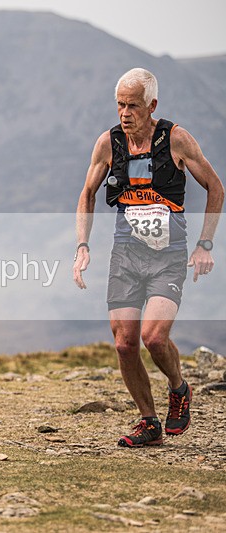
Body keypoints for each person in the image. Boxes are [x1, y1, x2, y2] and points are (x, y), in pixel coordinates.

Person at [74, 68, 224, 447]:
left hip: (167, 256)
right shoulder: (108, 144)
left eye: (133, 106)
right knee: (125, 344)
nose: (125, 113)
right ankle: (149, 422)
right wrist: (82, 246)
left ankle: (178, 388)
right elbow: (88, 193)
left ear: (152, 105)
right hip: (126, 255)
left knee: (154, 337)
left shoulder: (176, 139)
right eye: (120, 105)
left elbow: (215, 189)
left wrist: (205, 244)